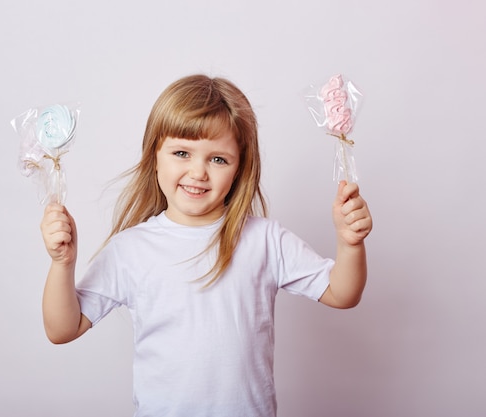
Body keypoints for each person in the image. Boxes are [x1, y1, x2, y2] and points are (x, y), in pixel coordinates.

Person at [39, 74, 372, 417]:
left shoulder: (265, 240)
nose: (198, 172)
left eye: (218, 159)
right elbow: (63, 329)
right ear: (155, 156)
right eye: (181, 153)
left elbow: (342, 294)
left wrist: (350, 244)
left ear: (239, 168)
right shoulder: (130, 250)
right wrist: (63, 264)